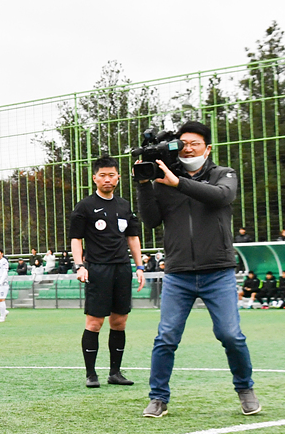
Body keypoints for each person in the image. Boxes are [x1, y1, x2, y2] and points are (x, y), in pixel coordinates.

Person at [135, 120, 259, 417]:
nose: (188, 148)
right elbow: (150, 221)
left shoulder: (223, 174)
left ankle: (245, 389)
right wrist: (143, 185)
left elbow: (221, 196)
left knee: (231, 335)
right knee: (166, 337)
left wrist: (179, 183)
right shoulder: (164, 181)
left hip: (218, 271)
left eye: (195, 143)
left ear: (208, 148)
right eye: (183, 143)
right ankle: (158, 398)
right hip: (178, 273)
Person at [69, 156, 146, 388]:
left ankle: (115, 372)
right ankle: (91, 374)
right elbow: (76, 239)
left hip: (122, 269)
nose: (107, 179)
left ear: (118, 178)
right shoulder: (84, 206)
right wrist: (80, 265)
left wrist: (139, 266)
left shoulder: (124, 206)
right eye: (102, 175)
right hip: (97, 270)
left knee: (119, 321)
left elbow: (133, 238)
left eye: (111, 175)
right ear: (94, 178)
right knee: (94, 322)